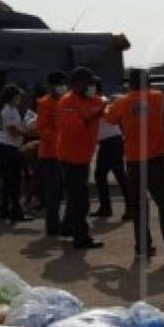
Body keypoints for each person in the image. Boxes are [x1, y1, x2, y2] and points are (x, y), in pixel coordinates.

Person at [105, 69, 164, 261]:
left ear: (130, 84)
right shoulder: (157, 97)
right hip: (155, 159)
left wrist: (108, 103)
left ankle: (143, 248)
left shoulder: (121, 102)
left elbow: (109, 117)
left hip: (134, 161)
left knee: (139, 205)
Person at [57, 67, 107, 249]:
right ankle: (81, 237)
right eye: (88, 83)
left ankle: (67, 227)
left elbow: (107, 113)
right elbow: (75, 128)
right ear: (77, 84)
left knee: (75, 194)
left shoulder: (92, 99)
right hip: (70, 157)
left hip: (83, 156)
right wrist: (97, 113)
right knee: (81, 198)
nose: (91, 86)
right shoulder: (67, 102)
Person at [92, 89, 135, 220]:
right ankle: (110, 207)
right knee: (114, 175)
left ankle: (115, 208)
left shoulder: (101, 101)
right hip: (111, 142)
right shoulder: (101, 101)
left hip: (110, 142)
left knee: (110, 175)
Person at [0, 85, 29, 223]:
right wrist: (28, 132)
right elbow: (13, 131)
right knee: (14, 181)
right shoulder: (9, 110)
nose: (20, 98)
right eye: (18, 95)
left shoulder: (8, 109)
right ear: (12, 96)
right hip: (8, 147)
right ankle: (15, 211)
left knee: (8, 181)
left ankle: (5, 210)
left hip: (5, 147)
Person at [36, 72, 66, 236]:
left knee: (60, 191)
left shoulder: (64, 101)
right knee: (52, 192)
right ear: (50, 86)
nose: (62, 87)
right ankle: (52, 225)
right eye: (58, 84)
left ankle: (56, 222)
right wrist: (58, 140)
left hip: (63, 154)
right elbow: (42, 128)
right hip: (49, 155)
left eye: (63, 83)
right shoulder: (45, 103)